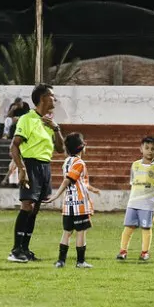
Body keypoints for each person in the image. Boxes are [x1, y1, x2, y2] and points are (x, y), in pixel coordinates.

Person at [9, 84, 62, 263]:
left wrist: (56, 128)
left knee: (35, 209)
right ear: (43, 98)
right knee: (27, 206)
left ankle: (25, 248)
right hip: (30, 165)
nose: (55, 99)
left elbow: (61, 149)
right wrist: (22, 169)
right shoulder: (27, 119)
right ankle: (16, 250)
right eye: (52, 96)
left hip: (45, 166)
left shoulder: (49, 122)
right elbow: (14, 146)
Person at [45, 132, 101, 268]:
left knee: (67, 232)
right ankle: (80, 262)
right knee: (81, 232)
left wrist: (93, 189)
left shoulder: (67, 162)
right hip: (79, 204)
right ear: (82, 146)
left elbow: (80, 182)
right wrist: (56, 195)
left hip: (68, 204)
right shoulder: (79, 163)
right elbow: (68, 180)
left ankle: (61, 261)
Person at [117, 136, 154, 262]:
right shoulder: (135, 165)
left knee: (146, 228)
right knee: (128, 227)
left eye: (153, 149)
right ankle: (123, 251)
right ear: (141, 149)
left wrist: (151, 200)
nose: (150, 151)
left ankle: (144, 253)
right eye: (147, 148)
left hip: (147, 205)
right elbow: (133, 182)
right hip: (133, 202)